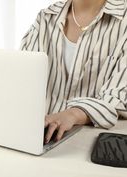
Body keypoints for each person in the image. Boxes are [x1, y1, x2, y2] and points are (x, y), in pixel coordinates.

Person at [20, 0, 127, 144]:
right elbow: (21, 81)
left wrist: (74, 114)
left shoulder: (123, 21)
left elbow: (119, 98)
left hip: (89, 148)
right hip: (40, 142)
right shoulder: (46, 18)